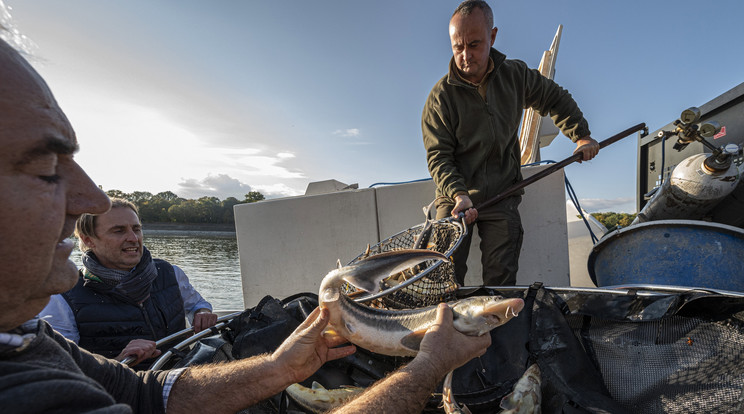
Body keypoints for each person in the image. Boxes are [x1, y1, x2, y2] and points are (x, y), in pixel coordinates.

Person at [0, 34, 491, 413]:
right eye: (46, 167)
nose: (91, 197)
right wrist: (429, 366)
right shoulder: (29, 393)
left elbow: (147, 393)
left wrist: (279, 367)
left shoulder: (27, 340)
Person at [422, 0, 600, 286]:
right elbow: (438, 157)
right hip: (455, 200)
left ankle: (496, 329)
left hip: (503, 194)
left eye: (475, 44)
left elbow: (554, 97)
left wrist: (581, 135)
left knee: (501, 284)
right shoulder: (440, 97)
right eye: (458, 47)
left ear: (492, 37)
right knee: (443, 279)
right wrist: (459, 195)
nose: (465, 55)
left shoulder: (515, 76)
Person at [38, 198, 218, 369]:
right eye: (119, 230)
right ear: (88, 240)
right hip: (122, 393)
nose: (133, 238)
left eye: (136, 229)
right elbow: (64, 366)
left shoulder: (170, 273)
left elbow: (197, 305)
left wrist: (202, 312)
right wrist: (118, 362)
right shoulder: (64, 297)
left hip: (185, 376)